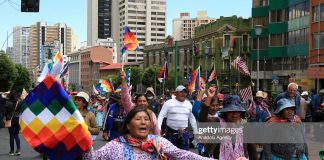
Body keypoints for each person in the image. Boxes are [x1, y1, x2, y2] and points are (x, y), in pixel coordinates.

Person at [83, 107, 214, 160]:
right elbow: (92, 158)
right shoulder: (115, 145)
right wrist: (81, 141)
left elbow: (183, 155)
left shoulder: (159, 142)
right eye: (138, 119)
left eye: (146, 119)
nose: (143, 122)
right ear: (128, 125)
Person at [206, 94, 258, 159]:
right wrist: (208, 99)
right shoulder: (217, 123)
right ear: (226, 112)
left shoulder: (245, 126)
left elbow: (253, 152)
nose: (234, 114)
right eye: (231, 111)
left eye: (237, 111)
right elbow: (202, 120)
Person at [158, 85, 198, 150]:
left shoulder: (189, 104)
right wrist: (159, 128)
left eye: (185, 92)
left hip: (184, 134)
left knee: (184, 155)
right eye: (181, 92)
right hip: (171, 134)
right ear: (176, 93)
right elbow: (161, 116)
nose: (183, 94)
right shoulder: (168, 103)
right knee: (171, 155)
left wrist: (195, 132)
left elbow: (192, 118)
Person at [120, 70, 160, 135]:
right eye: (140, 101)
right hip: (131, 141)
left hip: (148, 142)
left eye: (144, 101)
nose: (142, 103)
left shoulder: (151, 114)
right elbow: (125, 97)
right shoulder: (131, 109)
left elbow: (156, 130)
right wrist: (123, 80)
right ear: (136, 103)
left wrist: (158, 142)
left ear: (147, 103)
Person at [4, 92, 21, 156]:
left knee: (11, 135)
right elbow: (21, 110)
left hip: (10, 119)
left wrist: (6, 116)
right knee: (16, 135)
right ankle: (18, 150)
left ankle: (11, 151)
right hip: (17, 119)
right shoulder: (19, 102)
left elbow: (5, 111)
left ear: (10, 96)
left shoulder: (7, 102)